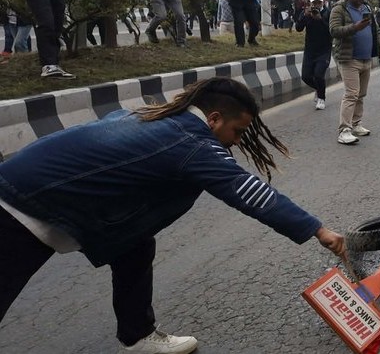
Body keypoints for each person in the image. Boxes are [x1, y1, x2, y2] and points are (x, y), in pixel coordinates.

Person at [0, 77, 347, 354]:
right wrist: (319, 230)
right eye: (238, 131)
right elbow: (250, 192)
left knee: (135, 246)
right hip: (21, 204)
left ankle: (138, 335)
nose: (238, 141)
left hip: (32, 188)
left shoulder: (160, 118)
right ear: (213, 119)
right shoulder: (193, 144)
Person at [329, 0, 380, 145]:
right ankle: (344, 130)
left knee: (361, 94)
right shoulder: (339, 9)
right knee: (351, 94)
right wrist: (355, 27)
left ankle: (356, 124)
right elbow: (334, 30)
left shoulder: (366, 8)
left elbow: (376, 30)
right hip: (349, 58)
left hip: (365, 58)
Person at [295, 0, 332, 111]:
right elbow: (298, 28)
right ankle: (318, 88)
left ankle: (321, 98)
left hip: (324, 49)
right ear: (310, 3)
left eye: (319, 2)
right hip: (310, 50)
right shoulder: (306, 13)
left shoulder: (328, 13)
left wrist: (320, 19)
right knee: (306, 76)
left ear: (322, 2)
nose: (317, 5)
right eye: (314, 3)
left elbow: (331, 30)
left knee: (318, 74)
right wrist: (305, 16)